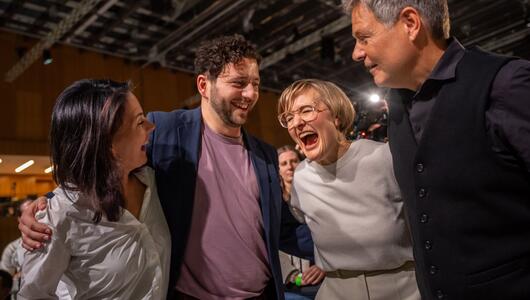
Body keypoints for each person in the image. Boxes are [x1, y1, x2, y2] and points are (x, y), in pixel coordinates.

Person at [19, 35, 310, 300]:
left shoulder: (265, 154)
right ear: (203, 85)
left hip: (260, 295)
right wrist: (42, 209)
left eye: (256, 84)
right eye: (238, 83)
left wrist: (343, 247)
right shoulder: (163, 131)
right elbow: (99, 160)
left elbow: (285, 229)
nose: (250, 93)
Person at [345, 0, 530, 299]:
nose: (356, 52)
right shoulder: (396, 110)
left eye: (364, 37)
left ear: (410, 23)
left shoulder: (506, 84)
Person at [17, 79, 171, 299]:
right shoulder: (59, 215)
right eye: (139, 122)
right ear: (107, 141)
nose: (151, 126)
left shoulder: (154, 182)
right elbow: (32, 295)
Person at [278, 79, 419, 300]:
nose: (296, 122)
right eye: (289, 117)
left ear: (336, 116)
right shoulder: (301, 177)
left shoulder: (383, 158)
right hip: (335, 291)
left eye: (306, 110)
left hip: (404, 289)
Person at [277, 145, 324, 300]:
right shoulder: (274, 203)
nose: (289, 167)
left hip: (324, 268)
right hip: (293, 277)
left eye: (294, 161)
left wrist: (324, 264)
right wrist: (293, 276)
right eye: (283, 164)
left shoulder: (316, 193)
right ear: (277, 170)